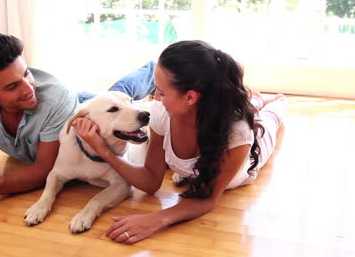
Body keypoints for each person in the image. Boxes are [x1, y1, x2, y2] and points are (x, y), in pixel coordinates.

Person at [74, 40, 285, 244]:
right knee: (248, 106)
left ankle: (274, 100)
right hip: (215, 114)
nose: (155, 97)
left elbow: (208, 199)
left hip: (246, 161)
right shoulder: (162, 113)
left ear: (190, 97)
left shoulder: (238, 135)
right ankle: (255, 100)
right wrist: (103, 149)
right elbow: (150, 181)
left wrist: (156, 219)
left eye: (162, 92)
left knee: (269, 119)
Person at [0, 33, 155, 217]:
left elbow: (44, 169)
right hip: (69, 105)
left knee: (121, 94)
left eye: (26, 73)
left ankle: (152, 71)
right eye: (13, 85)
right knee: (117, 99)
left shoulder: (57, 98)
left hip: (74, 103)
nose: (27, 88)